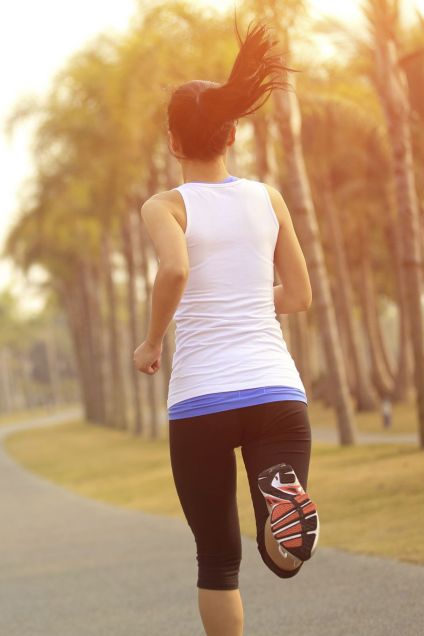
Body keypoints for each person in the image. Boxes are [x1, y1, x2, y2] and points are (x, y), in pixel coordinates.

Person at [132, 22, 319, 636]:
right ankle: (279, 506)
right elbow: (298, 295)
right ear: (232, 132)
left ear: (171, 140)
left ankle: (274, 515)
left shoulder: (166, 206)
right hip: (277, 393)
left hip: (202, 400)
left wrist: (154, 339)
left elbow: (175, 269)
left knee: (217, 562)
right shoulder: (268, 198)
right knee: (281, 558)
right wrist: (245, 297)